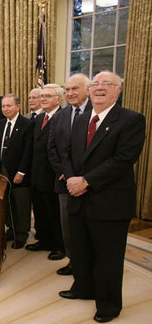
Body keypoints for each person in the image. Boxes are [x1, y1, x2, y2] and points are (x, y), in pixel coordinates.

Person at [59, 71, 145, 323]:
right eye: (95, 83)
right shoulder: (83, 118)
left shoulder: (131, 120)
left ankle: (108, 304)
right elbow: (68, 153)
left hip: (109, 202)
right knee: (81, 250)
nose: (99, 87)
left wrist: (86, 181)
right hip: (78, 197)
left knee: (108, 257)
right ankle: (83, 288)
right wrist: (72, 178)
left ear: (118, 90)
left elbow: (122, 160)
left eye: (107, 84)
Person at [47, 74, 92, 275]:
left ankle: (88, 264)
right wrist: (65, 173)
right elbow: (52, 147)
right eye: (67, 90)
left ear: (88, 90)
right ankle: (73, 261)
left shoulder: (96, 112)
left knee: (89, 226)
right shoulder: (60, 116)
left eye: (75, 89)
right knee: (68, 225)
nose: (70, 93)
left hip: (90, 182)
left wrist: (81, 177)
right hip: (65, 181)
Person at [25, 84, 65, 261]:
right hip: (37, 174)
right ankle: (44, 240)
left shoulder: (64, 117)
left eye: (47, 96)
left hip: (54, 175)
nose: (43, 99)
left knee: (54, 212)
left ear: (59, 99)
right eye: (42, 96)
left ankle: (59, 245)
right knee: (40, 211)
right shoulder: (40, 118)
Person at [0, 94, 33, 249]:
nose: (5, 109)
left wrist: (21, 172)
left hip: (19, 172)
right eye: (3, 106)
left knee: (20, 204)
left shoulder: (27, 124)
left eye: (9, 106)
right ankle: (11, 229)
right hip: (1, 172)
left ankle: (21, 234)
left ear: (18, 106)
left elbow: (28, 151)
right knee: (6, 203)